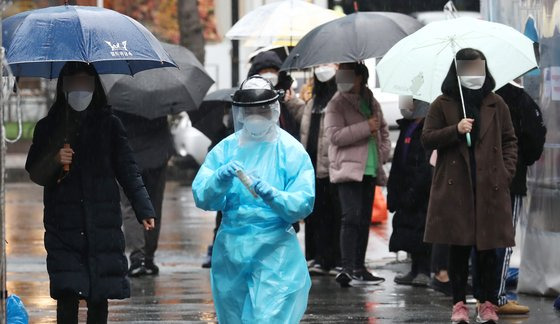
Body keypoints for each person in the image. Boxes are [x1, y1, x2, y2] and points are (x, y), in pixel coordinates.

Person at [25, 62, 156, 324]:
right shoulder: (49, 126)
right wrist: (55, 160)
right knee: (68, 292)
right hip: (64, 225)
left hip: (102, 224)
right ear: (62, 88)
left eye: (85, 83)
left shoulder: (110, 125)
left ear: (95, 87)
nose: (79, 90)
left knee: (99, 295)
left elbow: (128, 170)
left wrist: (144, 208)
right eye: (73, 83)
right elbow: (35, 171)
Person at [192, 75, 315, 323]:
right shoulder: (226, 149)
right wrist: (219, 179)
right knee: (233, 316)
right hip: (231, 251)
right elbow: (202, 194)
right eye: (250, 111)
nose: (255, 116)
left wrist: (274, 196)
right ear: (240, 113)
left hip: (275, 250)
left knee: (269, 316)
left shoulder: (290, 151)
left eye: (262, 109)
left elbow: (303, 202)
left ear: (273, 109)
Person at [422, 48, 517, 324]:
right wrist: (456, 130)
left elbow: (510, 140)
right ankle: (459, 303)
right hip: (457, 187)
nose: (475, 75)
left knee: (488, 248)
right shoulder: (443, 103)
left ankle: (487, 303)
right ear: (458, 71)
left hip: (490, 185)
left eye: (480, 68)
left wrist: (505, 172)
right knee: (459, 248)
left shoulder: (496, 103)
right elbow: (427, 138)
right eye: (469, 69)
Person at [325, 62, 391, 287]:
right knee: (350, 217)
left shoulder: (370, 100)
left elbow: (382, 128)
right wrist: (365, 126)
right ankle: (346, 267)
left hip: (370, 167)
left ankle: (359, 267)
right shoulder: (336, 104)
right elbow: (334, 136)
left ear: (360, 77)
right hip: (348, 169)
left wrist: (382, 153)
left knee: (364, 220)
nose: (342, 79)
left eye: (348, 75)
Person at [489, 80, 545, 315]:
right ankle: (498, 297)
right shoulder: (519, 99)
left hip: (481, 181)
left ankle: (483, 296)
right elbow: (535, 137)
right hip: (511, 180)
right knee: (504, 238)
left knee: (483, 238)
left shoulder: (478, 98)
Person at [115, 112, 174, 277]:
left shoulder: (119, 97)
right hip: (157, 156)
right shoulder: (159, 95)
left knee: (130, 207)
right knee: (153, 206)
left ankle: (137, 257)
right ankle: (148, 257)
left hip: (129, 155)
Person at [300, 64, 341, 275]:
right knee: (314, 213)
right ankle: (314, 255)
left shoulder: (338, 101)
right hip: (311, 165)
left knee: (331, 213)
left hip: (330, 166)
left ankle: (331, 258)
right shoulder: (312, 103)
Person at [388, 96, 432, 287]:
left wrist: (416, 188)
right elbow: (399, 160)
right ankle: (415, 269)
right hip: (406, 186)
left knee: (422, 229)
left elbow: (425, 163)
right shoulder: (408, 126)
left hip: (421, 190)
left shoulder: (428, 127)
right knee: (409, 230)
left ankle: (424, 269)